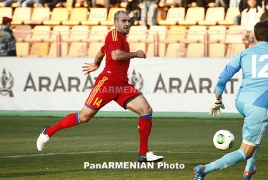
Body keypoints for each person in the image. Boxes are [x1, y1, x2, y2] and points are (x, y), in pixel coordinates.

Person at [36, 10, 164, 163]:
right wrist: (135, 53)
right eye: (123, 21)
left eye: (128, 21)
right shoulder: (114, 35)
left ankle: (144, 154)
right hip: (107, 83)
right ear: (115, 23)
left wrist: (96, 64)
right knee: (83, 117)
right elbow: (116, 55)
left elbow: (101, 51)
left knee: (146, 110)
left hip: (121, 85)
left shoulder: (119, 38)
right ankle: (48, 131)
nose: (127, 24)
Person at [193, 20, 268, 180]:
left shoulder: (244, 53)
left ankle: (249, 169)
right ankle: (204, 169)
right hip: (260, 107)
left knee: (259, 129)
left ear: (254, 36)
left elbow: (223, 78)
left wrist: (218, 99)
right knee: (245, 151)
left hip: (242, 102)